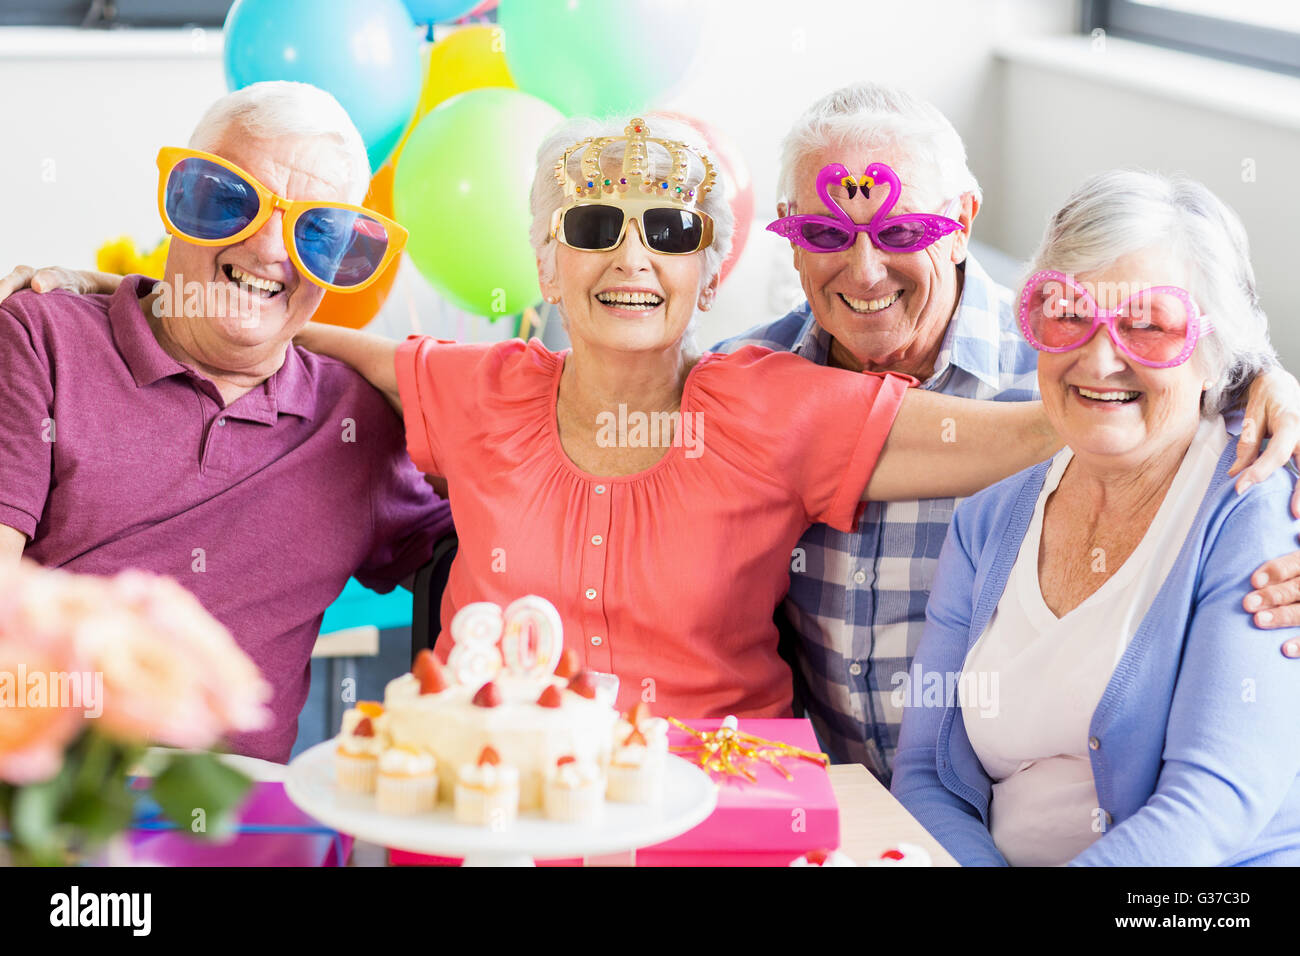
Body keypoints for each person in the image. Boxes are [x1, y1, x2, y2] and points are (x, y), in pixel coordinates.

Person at [285, 115, 1062, 720]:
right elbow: (298, 338)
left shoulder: (774, 405)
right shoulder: (479, 389)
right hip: (490, 794)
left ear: (709, 273)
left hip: (714, 802)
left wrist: (1150, 383)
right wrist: (177, 311)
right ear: (548, 267)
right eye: (593, 227)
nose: (632, 258)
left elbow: (1032, 431)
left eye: (670, 231)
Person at [713, 81, 1300, 776]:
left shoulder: (1075, 373)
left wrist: (1265, 379)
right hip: (824, 810)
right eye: (824, 234)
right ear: (790, 235)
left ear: (961, 221)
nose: (865, 271)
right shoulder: (744, 385)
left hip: (1002, 818)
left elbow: (1189, 371)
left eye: (901, 233)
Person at [0, 81, 453, 763]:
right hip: (50, 807)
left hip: (240, 829)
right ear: (180, 201)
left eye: (316, 233)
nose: (271, 250)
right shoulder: (39, 339)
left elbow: (500, 534)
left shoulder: (355, 423)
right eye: (230, 201)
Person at [891, 169, 1300, 865]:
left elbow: (1211, 805)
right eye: (1070, 313)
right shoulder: (987, 522)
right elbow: (929, 774)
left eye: (1149, 325)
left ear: (1214, 353)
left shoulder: (1251, 512)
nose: (1102, 357)